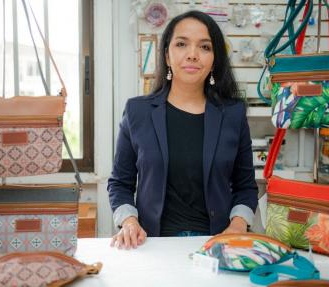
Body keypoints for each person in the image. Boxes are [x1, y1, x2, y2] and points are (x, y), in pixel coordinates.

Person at [108, 10, 258, 249]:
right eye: (181, 44)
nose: (192, 55)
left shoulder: (233, 114)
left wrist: (238, 225)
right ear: (167, 55)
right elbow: (119, 183)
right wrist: (128, 221)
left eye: (205, 47)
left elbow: (246, 186)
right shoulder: (138, 111)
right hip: (152, 244)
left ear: (214, 59)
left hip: (216, 244)